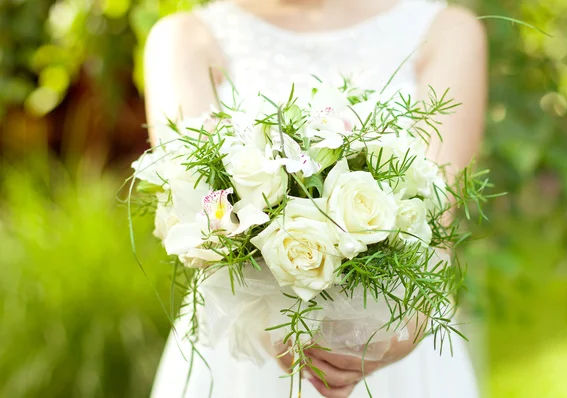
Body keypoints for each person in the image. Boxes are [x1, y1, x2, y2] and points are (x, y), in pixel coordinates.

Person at [145, 0, 487, 397]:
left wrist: (399, 334)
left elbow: (435, 213)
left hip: (396, 318)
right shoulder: (186, 38)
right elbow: (200, 211)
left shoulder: (444, 29)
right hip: (245, 345)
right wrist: (278, 333)